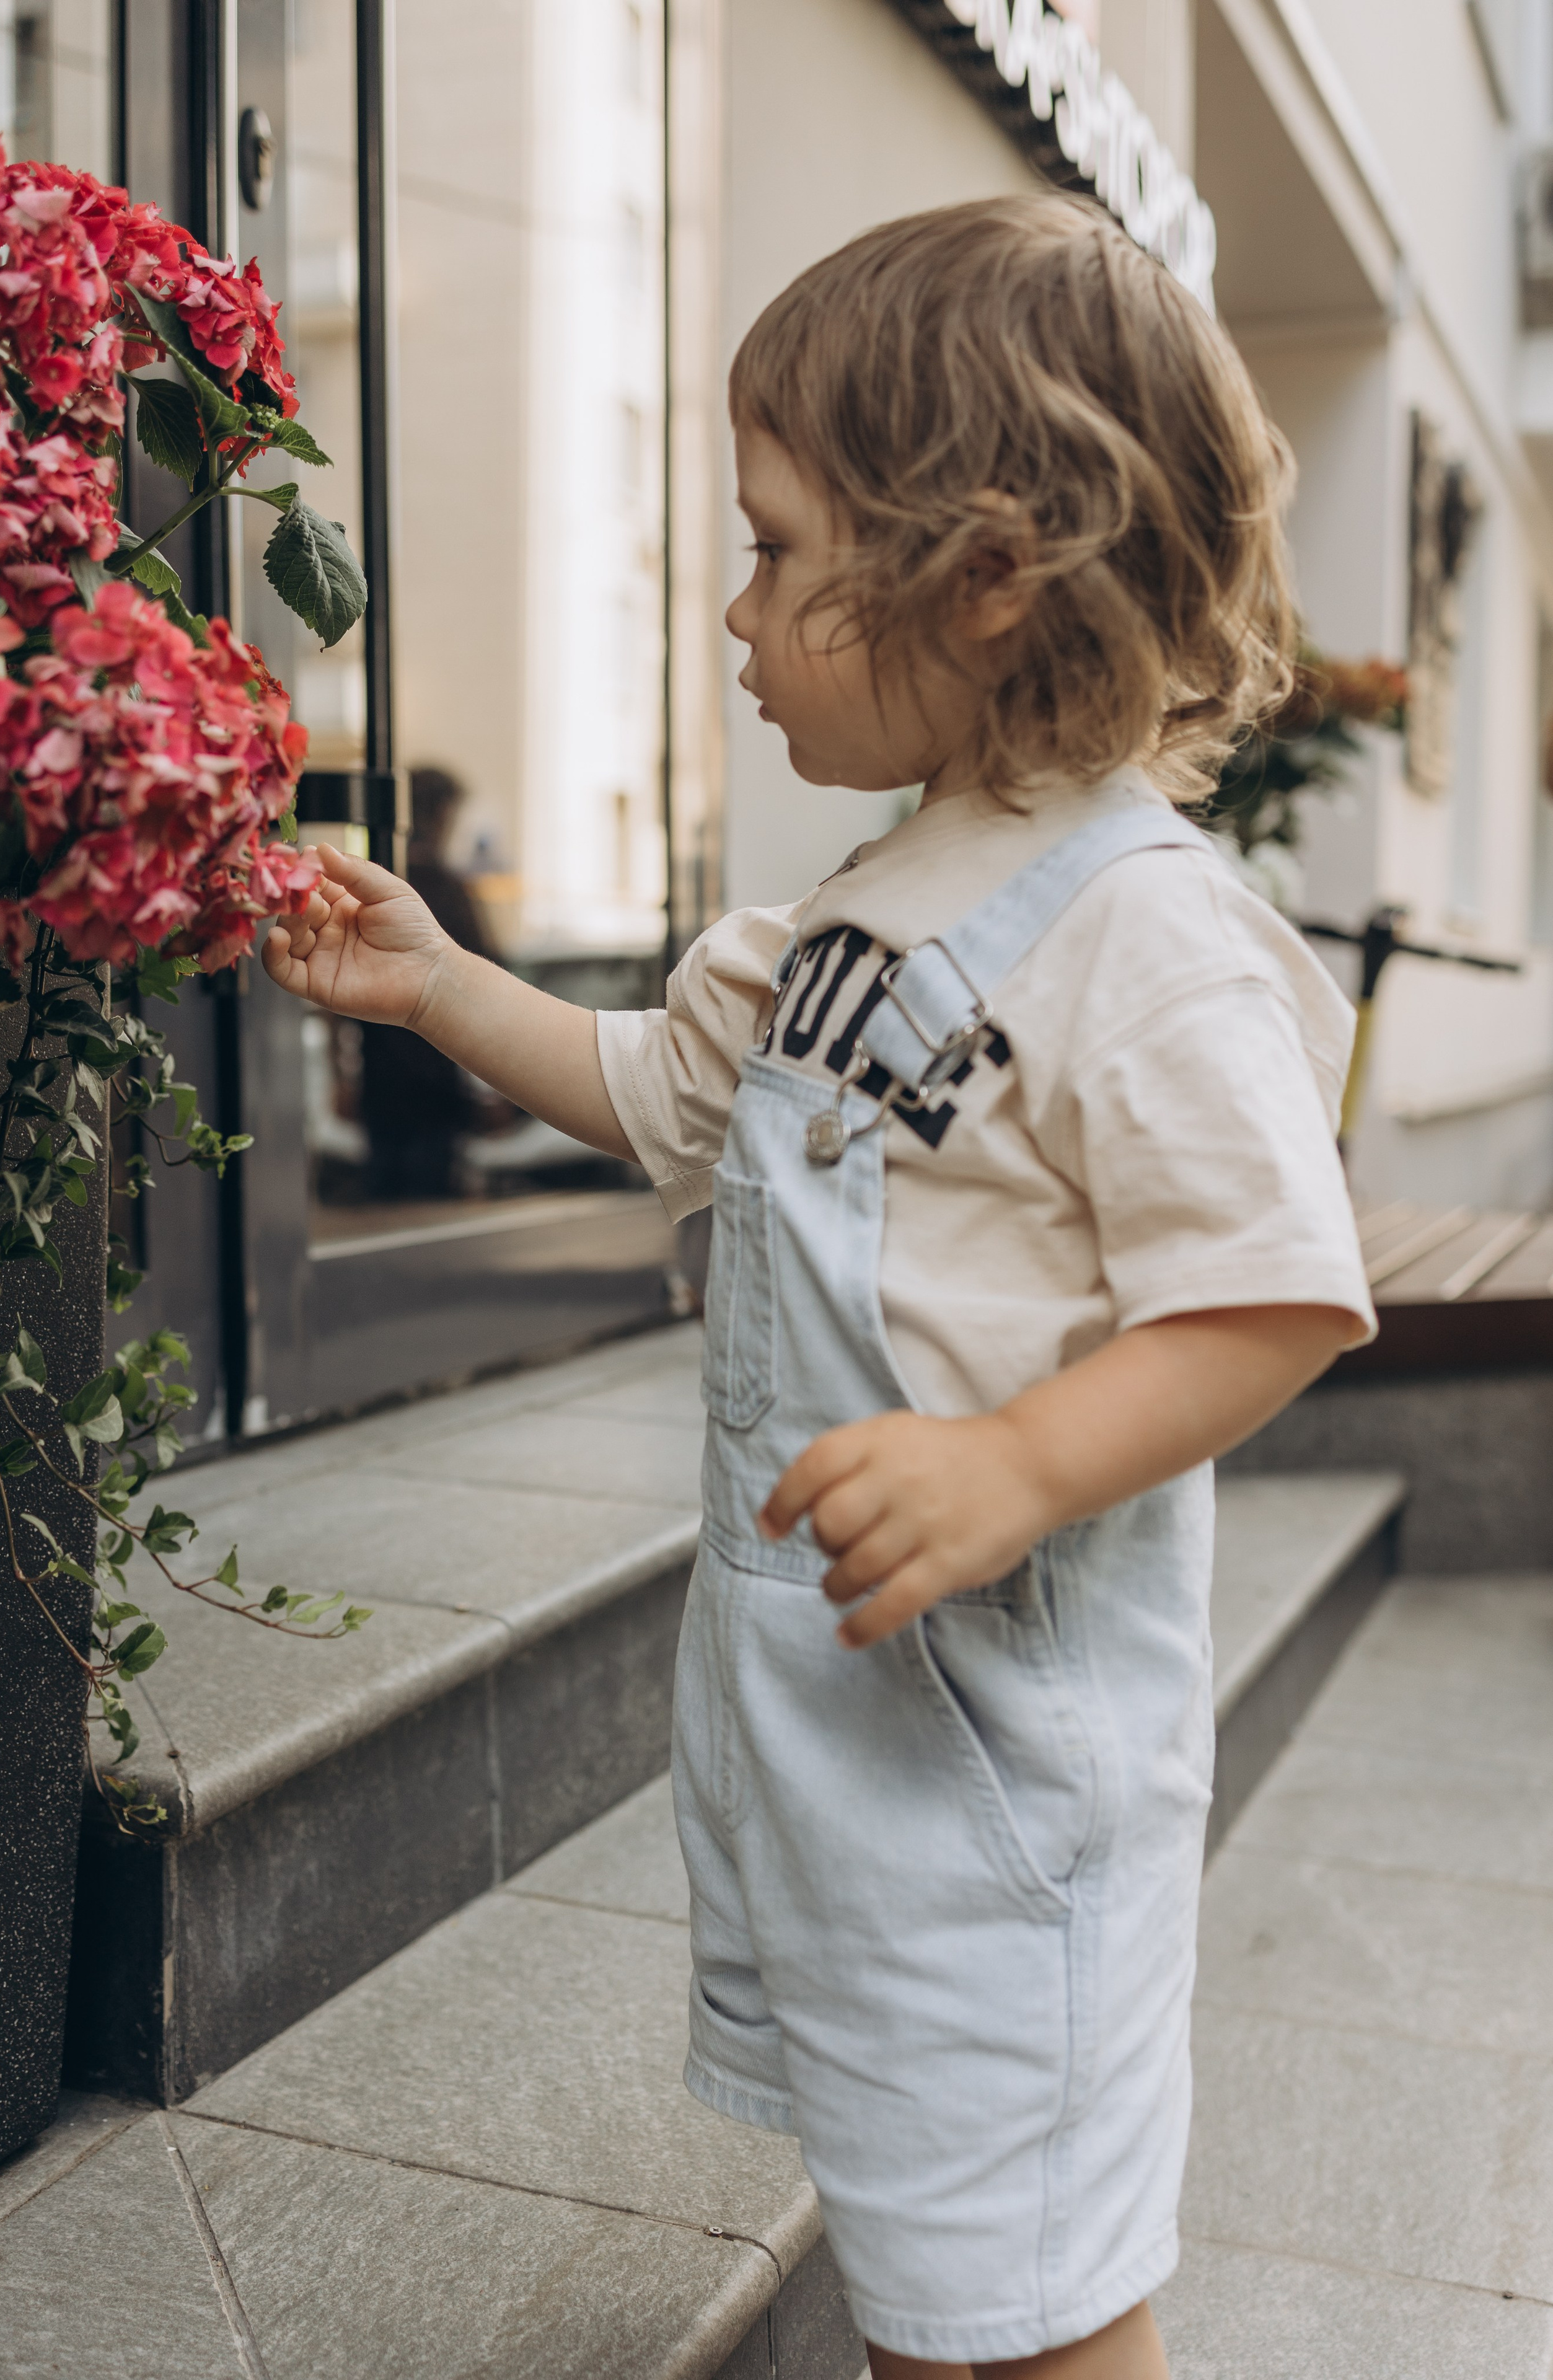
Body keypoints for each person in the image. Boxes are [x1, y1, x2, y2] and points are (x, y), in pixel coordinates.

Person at [262, 196, 1374, 2379]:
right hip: (832, 1759)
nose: (737, 613)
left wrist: (1017, 1461)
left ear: (983, 573)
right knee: (934, 2260)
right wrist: (443, 990)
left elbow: (1272, 1295)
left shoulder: (1141, 932)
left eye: (777, 552)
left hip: (1004, 1783)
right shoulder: (846, 915)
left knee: (1045, 2300)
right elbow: (665, 1100)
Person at [358, 764, 493, 1200]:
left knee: (386, 1190)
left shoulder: (378, 880)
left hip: (383, 1070)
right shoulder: (448, 890)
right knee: (428, 1193)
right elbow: (488, 976)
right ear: (438, 815)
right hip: (434, 1067)